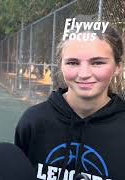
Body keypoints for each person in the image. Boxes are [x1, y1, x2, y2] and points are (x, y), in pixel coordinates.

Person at [15, 24, 125, 179]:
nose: (84, 74)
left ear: (117, 67)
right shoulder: (34, 122)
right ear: (61, 65)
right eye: (73, 62)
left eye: (97, 62)